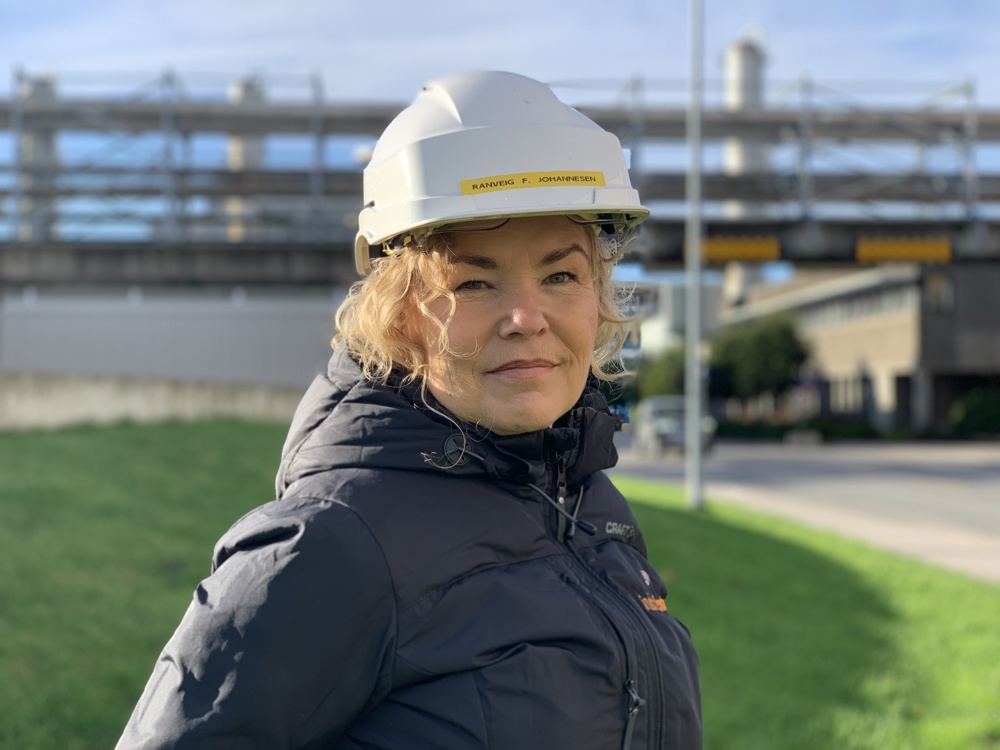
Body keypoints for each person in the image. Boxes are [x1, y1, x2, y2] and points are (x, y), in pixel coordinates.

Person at [117, 70, 701, 749]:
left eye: (560, 275)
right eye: (474, 282)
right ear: (399, 315)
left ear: (598, 295)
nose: (525, 317)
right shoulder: (334, 544)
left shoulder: (592, 506)